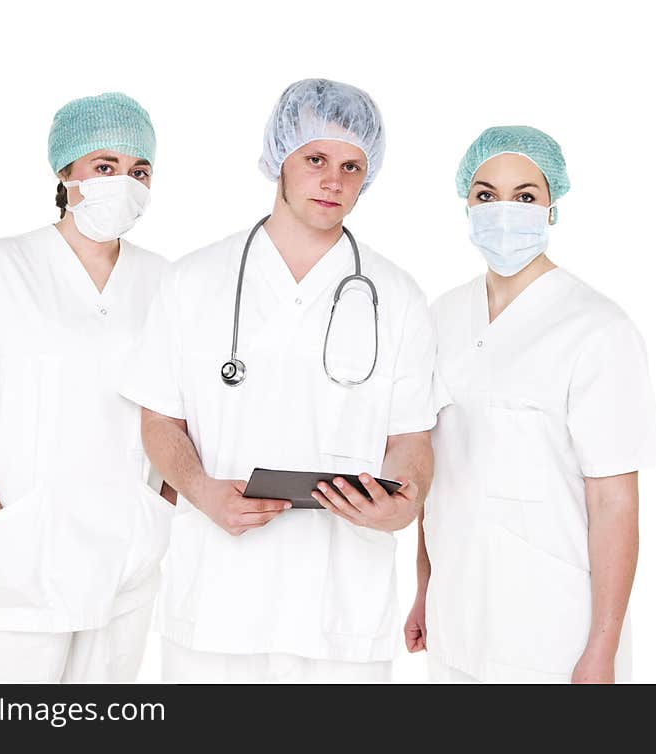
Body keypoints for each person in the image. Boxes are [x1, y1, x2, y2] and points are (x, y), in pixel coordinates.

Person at [120, 78, 439, 682]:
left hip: (340, 610)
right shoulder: (193, 282)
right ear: (280, 159)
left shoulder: (396, 296)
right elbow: (160, 419)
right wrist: (199, 488)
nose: (333, 181)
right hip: (217, 605)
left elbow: (413, 437)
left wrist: (406, 503)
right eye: (315, 158)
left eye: (352, 166)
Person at [0, 92, 176, 682]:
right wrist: (1, 534)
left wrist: (158, 516)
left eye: (139, 171)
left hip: (124, 566)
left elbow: (180, 417)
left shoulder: (164, 283)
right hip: (17, 573)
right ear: (66, 172)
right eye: (104, 167)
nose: (123, 183)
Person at [405, 125, 656, 683]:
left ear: (552, 207)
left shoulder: (597, 329)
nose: (504, 211)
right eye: (485, 194)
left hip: (553, 635)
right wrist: (425, 587)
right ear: (466, 205)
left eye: (525, 196)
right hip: (456, 624)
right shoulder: (441, 317)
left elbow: (615, 503)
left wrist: (603, 648)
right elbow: (433, 473)